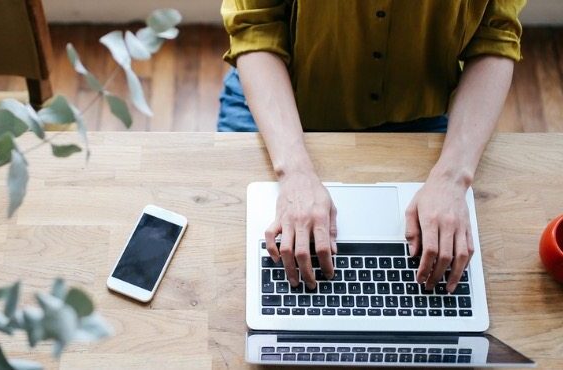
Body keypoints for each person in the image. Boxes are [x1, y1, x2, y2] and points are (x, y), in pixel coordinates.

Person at [219, 1, 525, 293]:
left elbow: (495, 34)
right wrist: (295, 173)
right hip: (283, 100)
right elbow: (256, 25)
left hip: (421, 114)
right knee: (233, 264)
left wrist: (453, 177)